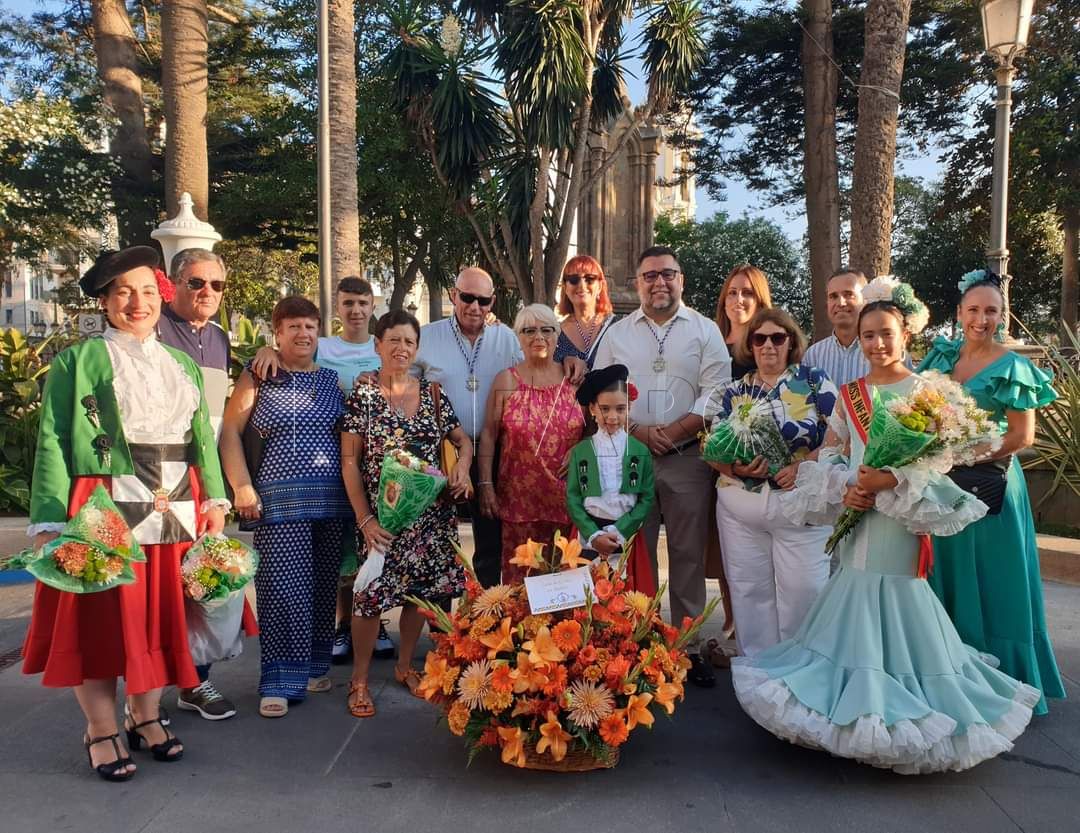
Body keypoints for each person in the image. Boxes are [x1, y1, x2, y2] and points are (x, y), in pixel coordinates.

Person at [735, 278, 1040, 773]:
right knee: (852, 587)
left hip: (900, 517)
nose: (878, 343)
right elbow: (832, 452)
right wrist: (846, 485)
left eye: (887, 333)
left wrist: (891, 478)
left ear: (906, 337)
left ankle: (900, 700)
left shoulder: (930, 392)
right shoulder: (850, 394)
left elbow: (946, 459)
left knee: (896, 591)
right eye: (869, 334)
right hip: (859, 515)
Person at [23, 245, 228, 780]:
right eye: (122, 293)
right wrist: (49, 519)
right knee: (99, 620)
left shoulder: (180, 362)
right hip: (102, 503)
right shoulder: (78, 360)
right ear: (106, 301)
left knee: (158, 616)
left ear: (161, 294)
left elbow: (201, 435)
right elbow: (53, 441)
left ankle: (145, 715)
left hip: (174, 502)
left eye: (144, 291)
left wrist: (216, 501)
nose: (136, 303)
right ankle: (100, 728)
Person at [919, 269, 1065, 715]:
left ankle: (1006, 682)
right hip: (945, 485)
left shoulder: (1014, 366)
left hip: (992, 487)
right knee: (949, 572)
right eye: (974, 310)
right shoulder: (941, 358)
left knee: (993, 578)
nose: (982, 319)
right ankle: (950, 674)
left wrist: (966, 455)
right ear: (959, 312)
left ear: (1002, 316)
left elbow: (1022, 436)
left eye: (992, 311)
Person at [592, 245, 731, 688]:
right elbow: (600, 388)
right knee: (636, 554)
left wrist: (672, 432)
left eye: (668, 274)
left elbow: (717, 394)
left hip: (687, 457)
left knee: (687, 554)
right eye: (650, 275)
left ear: (681, 280)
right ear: (638, 283)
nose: (659, 282)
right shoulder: (617, 333)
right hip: (631, 455)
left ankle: (686, 646)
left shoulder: (705, 331)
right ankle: (640, 641)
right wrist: (637, 432)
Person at [219, 297, 353, 718]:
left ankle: (312, 667)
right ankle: (277, 679)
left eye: (310, 326)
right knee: (281, 590)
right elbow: (229, 433)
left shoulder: (332, 381)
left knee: (319, 589)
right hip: (277, 503)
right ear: (276, 333)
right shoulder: (259, 375)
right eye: (293, 326)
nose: (303, 334)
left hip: (331, 503)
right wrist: (242, 486)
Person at [412, 268, 586, 587]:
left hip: (523, 469)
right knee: (439, 541)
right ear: (454, 295)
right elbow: (399, 375)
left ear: (492, 301)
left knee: (504, 550)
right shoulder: (427, 336)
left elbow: (545, 357)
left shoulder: (507, 339)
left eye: (482, 300)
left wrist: (575, 358)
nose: (474, 306)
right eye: (467, 297)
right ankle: (464, 626)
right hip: (446, 453)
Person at [340, 309, 473, 719]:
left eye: (409, 342)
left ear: (417, 349)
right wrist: (365, 521)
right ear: (377, 345)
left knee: (422, 595)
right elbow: (349, 461)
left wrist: (462, 466)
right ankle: (359, 681)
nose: (401, 348)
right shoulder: (362, 396)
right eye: (393, 340)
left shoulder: (433, 393)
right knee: (368, 599)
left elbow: (462, 441)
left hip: (429, 519)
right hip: (381, 520)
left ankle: (405, 667)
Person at [251, 277, 390, 666]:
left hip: (372, 466)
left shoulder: (382, 346)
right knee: (338, 559)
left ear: (372, 305)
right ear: (338, 307)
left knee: (361, 553)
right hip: (323, 471)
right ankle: (343, 627)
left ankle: (370, 625)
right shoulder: (324, 347)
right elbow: (289, 348)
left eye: (363, 303)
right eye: (348, 303)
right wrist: (266, 348)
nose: (357, 310)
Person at [708, 308, 838, 657]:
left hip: (801, 507)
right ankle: (760, 671)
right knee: (750, 591)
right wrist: (737, 468)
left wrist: (804, 466)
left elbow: (842, 437)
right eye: (759, 338)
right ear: (750, 345)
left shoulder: (814, 381)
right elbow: (713, 450)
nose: (768, 345)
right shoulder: (733, 392)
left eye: (777, 338)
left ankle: (803, 668)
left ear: (791, 342)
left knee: (804, 590)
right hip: (741, 509)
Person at [157, 247, 251, 721]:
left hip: (204, 481)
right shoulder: (152, 329)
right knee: (160, 582)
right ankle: (149, 688)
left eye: (216, 285)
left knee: (208, 578)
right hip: (159, 477)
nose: (207, 292)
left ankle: (198, 681)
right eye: (196, 283)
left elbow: (218, 419)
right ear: (173, 285)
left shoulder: (218, 336)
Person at [478, 304, 586, 582]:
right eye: (529, 330)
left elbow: (597, 428)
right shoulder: (506, 380)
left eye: (546, 330)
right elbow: (489, 434)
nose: (538, 336)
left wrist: (581, 449)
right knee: (519, 586)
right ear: (518, 337)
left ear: (557, 335)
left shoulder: (574, 380)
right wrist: (486, 485)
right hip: (518, 505)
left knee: (565, 587)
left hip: (568, 505)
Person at [565, 364, 656, 594]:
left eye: (620, 409)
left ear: (629, 408)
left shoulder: (640, 451)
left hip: (624, 535)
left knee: (624, 597)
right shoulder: (581, 452)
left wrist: (620, 530)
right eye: (605, 409)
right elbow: (573, 497)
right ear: (593, 409)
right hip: (588, 536)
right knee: (586, 600)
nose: (613, 416)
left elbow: (646, 498)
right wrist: (593, 534)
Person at [803, 268, 869, 386]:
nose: (840, 303)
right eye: (833, 296)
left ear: (866, 301)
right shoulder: (813, 356)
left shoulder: (882, 351)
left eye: (849, 294)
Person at [553, 255, 617, 369]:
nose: (582, 286)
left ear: (600, 286)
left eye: (590, 279)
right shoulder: (554, 335)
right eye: (574, 280)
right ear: (565, 287)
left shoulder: (617, 327)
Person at [714, 264, 772, 380]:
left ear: (760, 301)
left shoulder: (770, 345)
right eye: (732, 293)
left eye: (747, 293)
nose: (738, 300)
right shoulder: (710, 343)